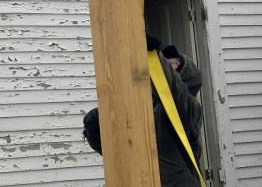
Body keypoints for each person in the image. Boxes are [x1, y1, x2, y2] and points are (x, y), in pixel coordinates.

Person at [82, 35, 204, 187]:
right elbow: (120, 152)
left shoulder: (190, 110)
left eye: (174, 63)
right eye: (167, 61)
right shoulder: (143, 108)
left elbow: (174, 91)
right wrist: (95, 132)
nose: (169, 64)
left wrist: (156, 56)